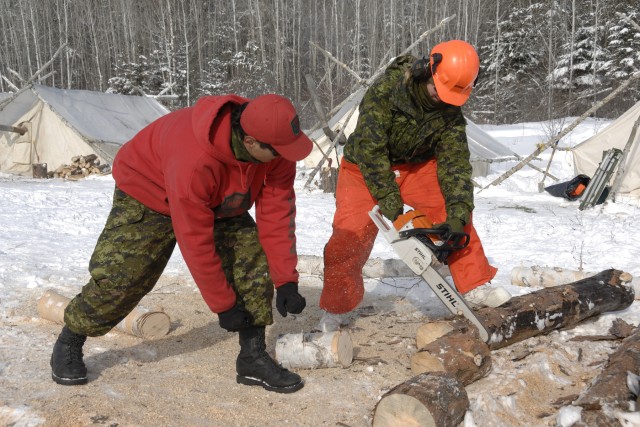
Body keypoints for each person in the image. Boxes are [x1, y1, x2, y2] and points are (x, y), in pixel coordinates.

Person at [50, 94, 313, 394]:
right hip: (149, 190)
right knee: (123, 278)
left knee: (251, 261)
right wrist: (223, 304)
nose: (286, 156)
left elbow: (278, 213)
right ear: (251, 142)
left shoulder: (275, 146)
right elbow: (195, 239)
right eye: (279, 151)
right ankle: (71, 338)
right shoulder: (194, 158)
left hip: (220, 197)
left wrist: (286, 280)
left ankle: (252, 357)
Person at [317, 40, 511, 332]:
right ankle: (337, 307)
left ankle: (475, 283)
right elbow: (372, 150)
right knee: (349, 235)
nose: (443, 99)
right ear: (426, 71)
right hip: (365, 167)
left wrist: (457, 215)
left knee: (453, 212)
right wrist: (395, 211)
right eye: (439, 90)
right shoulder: (387, 91)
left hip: (418, 167)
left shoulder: (450, 112)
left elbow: (455, 164)